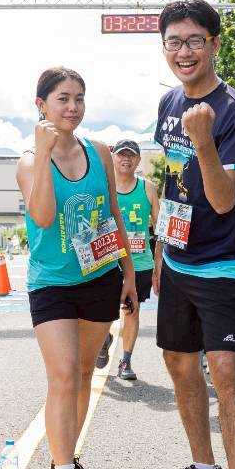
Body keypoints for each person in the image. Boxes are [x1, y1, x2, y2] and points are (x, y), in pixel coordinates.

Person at [148, 0, 235, 469]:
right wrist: (158, 252)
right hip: (175, 259)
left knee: (226, 371)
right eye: (174, 42)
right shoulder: (169, 101)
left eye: (195, 40)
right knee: (178, 363)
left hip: (221, 264)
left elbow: (220, 200)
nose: (184, 51)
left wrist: (204, 140)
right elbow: (172, 181)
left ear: (214, 43)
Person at [17, 67, 136, 469]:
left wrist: (128, 272)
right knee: (63, 375)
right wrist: (45, 152)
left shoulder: (99, 152)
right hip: (51, 282)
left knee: (84, 373)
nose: (72, 107)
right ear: (41, 105)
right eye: (63, 98)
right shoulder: (29, 161)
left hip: (100, 275)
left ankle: (66, 455)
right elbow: (44, 217)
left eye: (79, 98)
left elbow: (113, 214)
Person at [93, 139, 157, 381]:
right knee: (103, 311)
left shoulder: (148, 188)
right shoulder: (102, 187)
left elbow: (160, 229)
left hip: (140, 263)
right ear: (113, 158)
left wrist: (160, 266)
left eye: (131, 155)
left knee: (132, 311)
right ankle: (104, 337)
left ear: (138, 160)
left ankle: (125, 360)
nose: (126, 159)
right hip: (108, 262)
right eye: (121, 155)